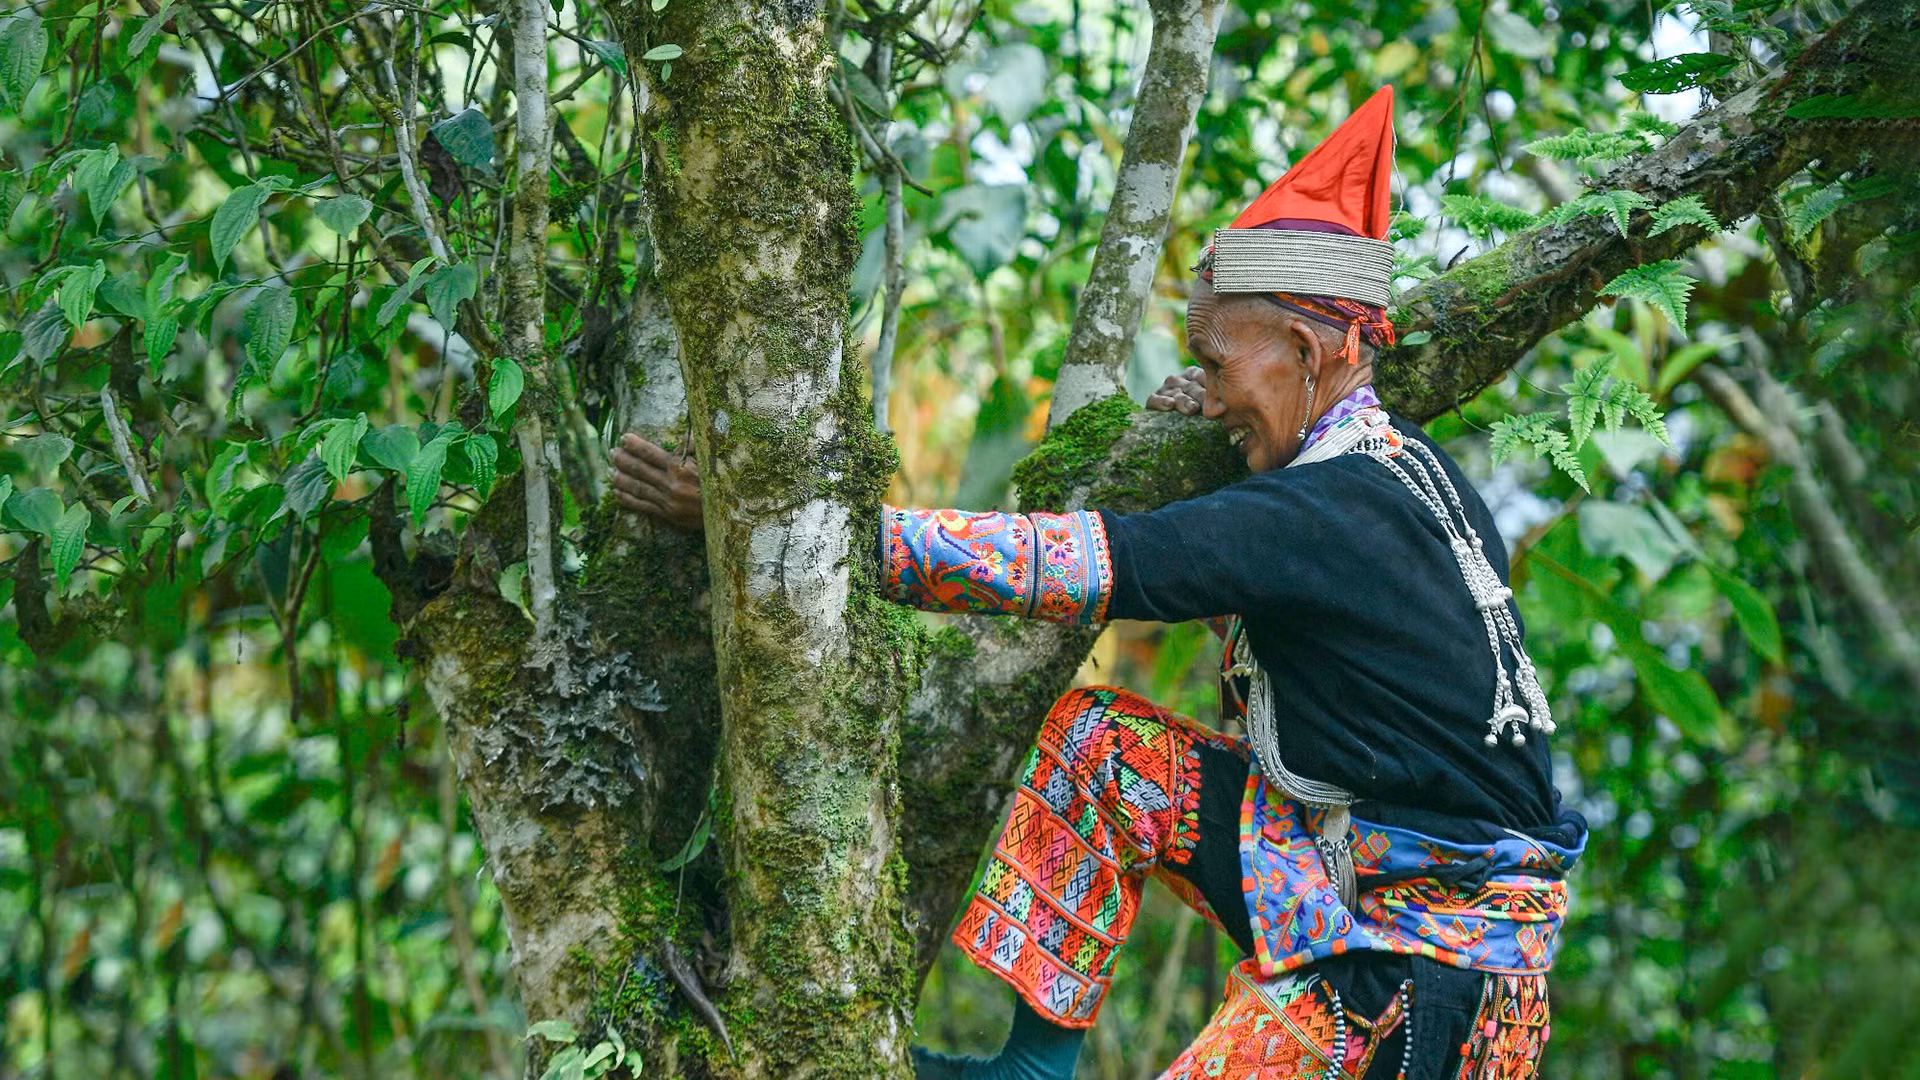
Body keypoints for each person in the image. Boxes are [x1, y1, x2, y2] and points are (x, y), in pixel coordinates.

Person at [611, 86, 1586, 1080]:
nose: (1211, 398)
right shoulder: (1403, 473)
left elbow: (1072, 566)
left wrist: (774, 526)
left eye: (1218, 365)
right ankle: (1032, 1069)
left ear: (1303, 351)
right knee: (1106, 750)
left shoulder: (1326, 508)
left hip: (1420, 979)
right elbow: (1293, 620)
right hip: (1360, 885)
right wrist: (1230, 426)